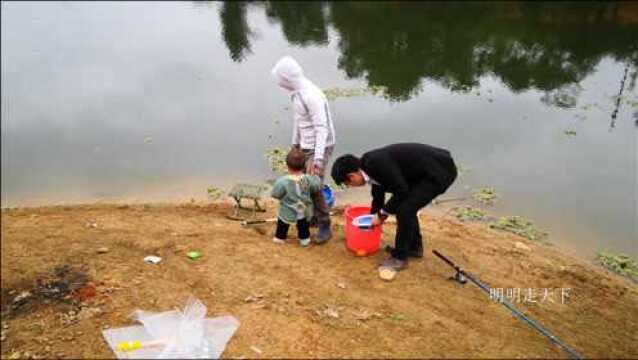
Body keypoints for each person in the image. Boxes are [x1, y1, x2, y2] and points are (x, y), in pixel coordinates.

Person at [330, 143, 457, 272]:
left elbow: (401, 190)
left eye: (348, 184)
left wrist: (381, 214)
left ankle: (400, 258)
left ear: (352, 176)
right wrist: (372, 220)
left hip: (440, 171)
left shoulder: (375, 164)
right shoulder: (368, 165)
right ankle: (414, 248)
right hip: (421, 173)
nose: (352, 186)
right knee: (405, 206)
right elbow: (378, 194)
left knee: (405, 210)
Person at [271, 55, 336, 244]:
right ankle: (312, 216)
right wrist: (295, 145)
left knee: (313, 186)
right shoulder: (296, 93)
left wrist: (317, 160)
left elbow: (321, 128)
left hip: (320, 146)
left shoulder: (311, 95)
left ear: (287, 78)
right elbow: (299, 121)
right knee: (304, 183)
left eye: (280, 79)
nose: (279, 82)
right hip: (305, 145)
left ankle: (324, 224)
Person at [271, 148, 323, 247]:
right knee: (303, 225)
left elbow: (275, 194)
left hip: (287, 209)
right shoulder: (307, 179)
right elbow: (317, 186)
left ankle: (280, 238)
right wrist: (316, 176)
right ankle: (304, 240)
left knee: (283, 223)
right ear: (304, 166)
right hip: (304, 210)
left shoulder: (283, 181)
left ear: (287, 166)